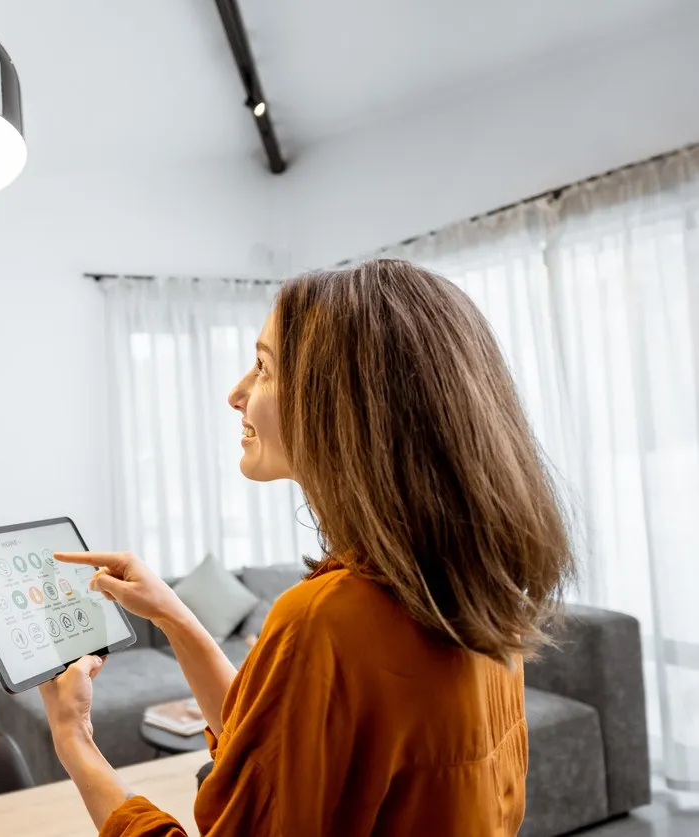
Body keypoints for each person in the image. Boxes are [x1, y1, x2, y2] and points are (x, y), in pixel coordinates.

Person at [41, 259, 575, 836]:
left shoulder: (328, 620)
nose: (236, 393)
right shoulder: (475, 593)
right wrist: (173, 614)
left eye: (263, 368)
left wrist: (75, 741)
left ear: (342, 401)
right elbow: (281, 753)